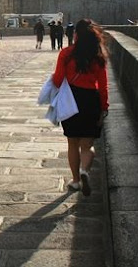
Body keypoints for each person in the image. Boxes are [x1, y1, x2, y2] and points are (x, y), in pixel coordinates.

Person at [51, 19, 109, 197]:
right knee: (87, 145)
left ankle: (76, 181)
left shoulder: (66, 54)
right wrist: (104, 107)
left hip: (71, 100)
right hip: (91, 100)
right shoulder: (98, 56)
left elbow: (58, 80)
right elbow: (103, 85)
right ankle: (85, 170)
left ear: (75, 34)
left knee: (72, 143)